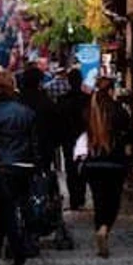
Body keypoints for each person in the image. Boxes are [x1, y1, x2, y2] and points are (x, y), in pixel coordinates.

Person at [0, 70, 38, 265]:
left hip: (4, 166)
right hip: (24, 165)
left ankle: (18, 251)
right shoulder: (27, 112)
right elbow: (34, 142)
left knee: (7, 210)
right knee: (15, 206)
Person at [74, 79, 130, 257]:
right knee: (113, 200)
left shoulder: (88, 111)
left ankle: (100, 227)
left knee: (99, 200)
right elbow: (127, 131)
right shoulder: (119, 111)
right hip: (115, 162)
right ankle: (105, 227)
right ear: (112, 90)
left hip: (93, 162)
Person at [57, 68, 90, 210]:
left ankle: (74, 199)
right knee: (82, 167)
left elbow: (58, 120)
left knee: (70, 169)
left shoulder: (63, 100)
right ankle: (80, 196)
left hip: (68, 138)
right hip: (83, 137)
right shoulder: (87, 99)